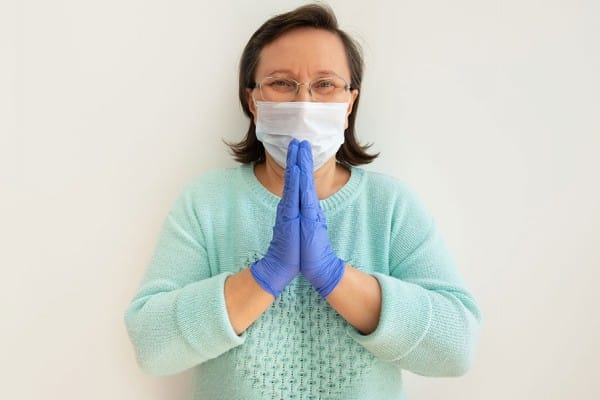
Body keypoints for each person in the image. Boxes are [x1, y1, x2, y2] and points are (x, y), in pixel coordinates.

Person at [124, 3, 482, 399]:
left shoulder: (390, 206)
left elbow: (457, 347)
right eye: (281, 83)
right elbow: (152, 347)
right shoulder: (207, 202)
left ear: (349, 103)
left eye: (325, 84)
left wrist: (333, 275)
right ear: (252, 100)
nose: (305, 102)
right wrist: (265, 276)